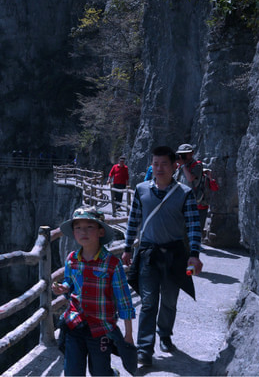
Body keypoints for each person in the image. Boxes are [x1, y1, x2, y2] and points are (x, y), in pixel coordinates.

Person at [122, 145, 204, 367]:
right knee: (149, 302)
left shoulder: (185, 194)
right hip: (149, 253)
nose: (159, 168)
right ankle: (144, 351)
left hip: (175, 255)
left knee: (169, 300)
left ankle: (165, 335)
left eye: (164, 164)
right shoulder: (141, 190)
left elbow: (194, 227)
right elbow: (133, 220)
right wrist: (127, 247)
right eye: (155, 164)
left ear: (174, 166)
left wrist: (194, 254)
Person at [51, 207, 136, 376]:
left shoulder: (112, 264)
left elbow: (124, 300)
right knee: (72, 372)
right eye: (78, 227)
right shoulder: (72, 259)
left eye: (90, 226)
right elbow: (70, 282)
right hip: (74, 323)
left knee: (100, 372)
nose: (83, 231)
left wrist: (128, 334)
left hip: (101, 328)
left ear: (100, 232)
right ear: (74, 232)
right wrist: (63, 287)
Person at [174, 143, 207, 232]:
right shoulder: (180, 167)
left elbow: (190, 178)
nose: (183, 156)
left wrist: (183, 165)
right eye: (181, 154)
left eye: (186, 153)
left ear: (192, 153)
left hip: (192, 200)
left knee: (191, 227)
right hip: (180, 200)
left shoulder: (197, 165)